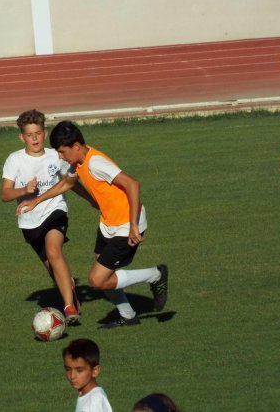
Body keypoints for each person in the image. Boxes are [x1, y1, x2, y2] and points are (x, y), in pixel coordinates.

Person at [18, 120, 168, 328]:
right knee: (103, 269)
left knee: (97, 280)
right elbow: (69, 183)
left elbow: (132, 183)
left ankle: (155, 275)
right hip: (108, 222)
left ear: (76, 146)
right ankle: (128, 315)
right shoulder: (77, 162)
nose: (60, 156)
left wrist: (133, 225)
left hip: (126, 223)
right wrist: (36, 200)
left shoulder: (96, 162)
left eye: (62, 151)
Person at [1, 110, 96, 324]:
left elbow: (69, 183)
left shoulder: (56, 155)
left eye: (37, 133)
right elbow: (5, 194)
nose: (34, 138)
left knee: (54, 251)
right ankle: (69, 288)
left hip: (55, 210)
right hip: (29, 221)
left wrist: (90, 199)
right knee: (52, 268)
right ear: (21, 137)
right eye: (29, 134)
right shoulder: (14, 160)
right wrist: (24, 190)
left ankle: (69, 308)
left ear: (44, 134)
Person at [63, 338, 112, 412]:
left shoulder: (94, 402)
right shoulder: (88, 396)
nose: (72, 376)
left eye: (79, 370)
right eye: (68, 369)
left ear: (95, 371)